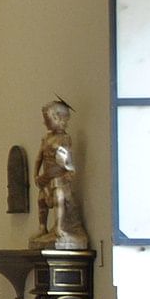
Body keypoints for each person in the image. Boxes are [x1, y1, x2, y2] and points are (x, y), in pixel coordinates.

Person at [31, 99, 87, 249]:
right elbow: (38, 158)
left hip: (58, 177)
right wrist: (36, 175)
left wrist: (66, 165)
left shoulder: (64, 138)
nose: (45, 123)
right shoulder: (46, 138)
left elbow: (67, 160)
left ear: (58, 119)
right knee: (41, 200)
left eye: (47, 119)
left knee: (58, 198)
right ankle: (42, 227)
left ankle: (59, 227)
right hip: (46, 178)